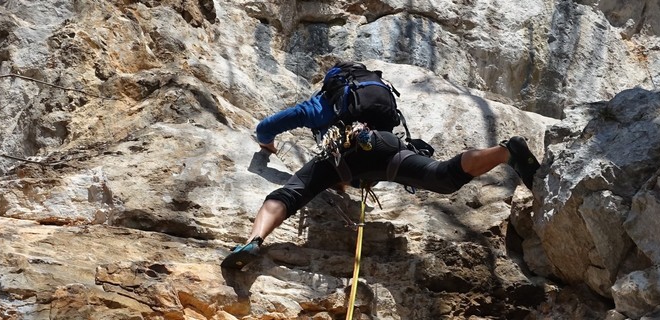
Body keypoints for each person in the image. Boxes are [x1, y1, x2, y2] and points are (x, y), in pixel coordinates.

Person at [222, 62, 541, 269]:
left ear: (331, 85)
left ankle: (254, 241)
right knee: (442, 176)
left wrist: (267, 146)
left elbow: (266, 127)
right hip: (386, 147)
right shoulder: (381, 100)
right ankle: (505, 152)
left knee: (289, 194)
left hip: (343, 154)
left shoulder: (322, 102)